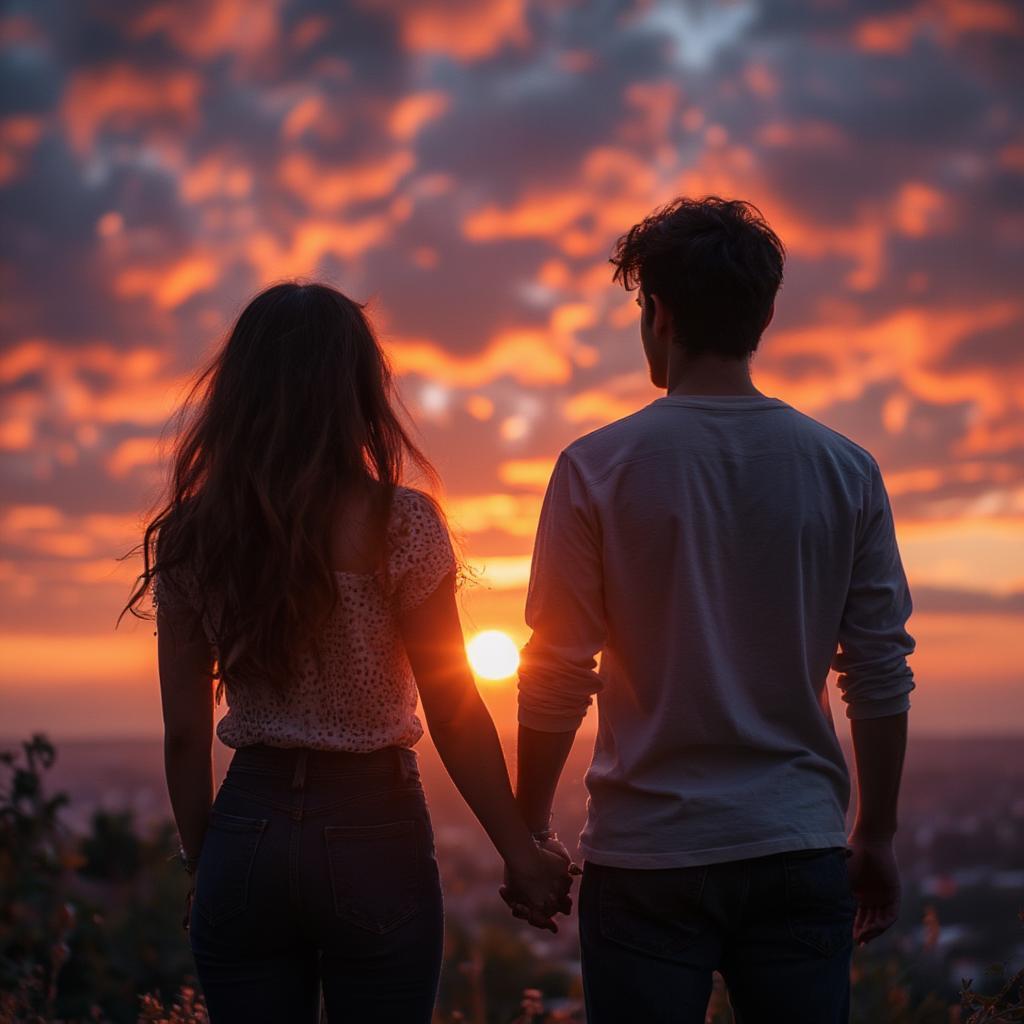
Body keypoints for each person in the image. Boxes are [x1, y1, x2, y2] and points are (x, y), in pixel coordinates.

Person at [505, 197, 916, 1023]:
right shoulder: (847, 469)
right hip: (799, 841)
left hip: (649, 854)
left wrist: (528, 832)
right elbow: (876, 671)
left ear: (656, 312)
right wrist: (874, 834)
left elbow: (557, 669)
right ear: (762, 313)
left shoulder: (597, 467)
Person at [121, 282, 572, 1024]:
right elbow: (454, 714)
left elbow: (182, 734)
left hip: (246, 828)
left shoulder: (194, 536)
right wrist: (520, 852)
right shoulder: (401, 523)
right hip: (375, 828)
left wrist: (206, 866)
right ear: (358, 390)